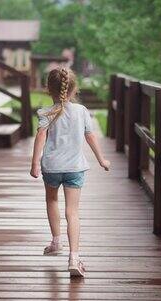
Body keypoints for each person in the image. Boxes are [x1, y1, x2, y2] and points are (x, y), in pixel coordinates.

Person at [30, 67, 111, 277]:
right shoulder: (82, 111)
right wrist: (102, 159)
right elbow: (90, 136)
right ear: (74, 89)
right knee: (73, 212)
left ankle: (56, 242)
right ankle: (74, 257)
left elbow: (40, 136)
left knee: (52, 201)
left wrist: (35, 164)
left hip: (52, 167)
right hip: (75, 167)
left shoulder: (46, 112)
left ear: (49, 89)